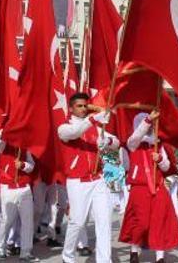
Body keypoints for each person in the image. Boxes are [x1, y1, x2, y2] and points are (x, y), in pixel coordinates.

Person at [58, 92, 120, 263]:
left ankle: (104, 260)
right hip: (78, 182)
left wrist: (107, 142)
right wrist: (93, 119)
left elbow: (116, 142)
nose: (83, 109)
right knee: (77, 222)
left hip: (98, 180)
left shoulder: (95, 128)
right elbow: (75, 133)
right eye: (79, 106)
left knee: (104, 221)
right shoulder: (64, 127)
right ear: (71, 108)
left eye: (85, 105)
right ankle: (68, 256)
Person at [119, 111, 178, 263]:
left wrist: (159, 159)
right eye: (145, 125)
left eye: (151, 125)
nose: (148, 128)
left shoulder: (158, 146)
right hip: (139, 188)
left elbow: (166, 167)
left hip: (158, 187)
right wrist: (148, 119)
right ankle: (134, 250)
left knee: (159, 221)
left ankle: (159, 257)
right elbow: (135, 138)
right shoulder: (132, 144)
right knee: (140, 222)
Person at [0, 129, 39, 262]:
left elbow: (31, 165)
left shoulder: (25, 146)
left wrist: (23, 165)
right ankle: (1, 247)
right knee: (7, 220)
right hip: (8, 188)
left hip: (24, 187)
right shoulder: (3, 144)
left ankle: (25, 252)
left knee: (27, 221)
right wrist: (10, 127)